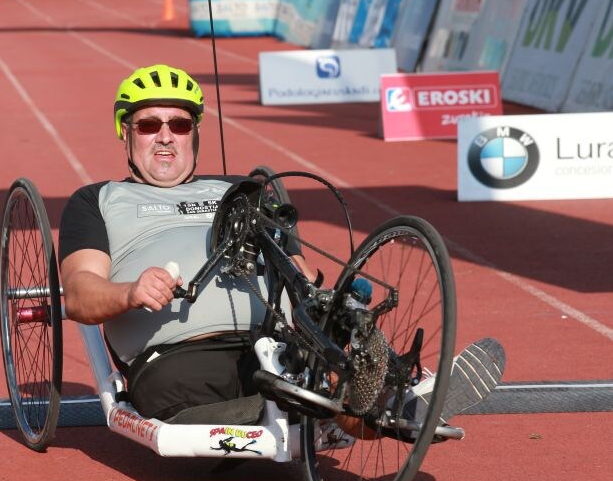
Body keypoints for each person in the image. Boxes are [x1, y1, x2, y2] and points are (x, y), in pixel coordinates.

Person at [59, 63, 504, 428]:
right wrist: (130, 291)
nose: (164, 136)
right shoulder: (97, 200)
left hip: (278, 345)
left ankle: (385, 396)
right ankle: (374, 408)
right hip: (180, 362)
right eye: (148, 124)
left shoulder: (242, 190)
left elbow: (299, 269)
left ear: (194, 132)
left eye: (178, 123)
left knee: (331, 333)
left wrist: (328, 301)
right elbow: (79, 293)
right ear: (125, 132)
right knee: (310, 400)